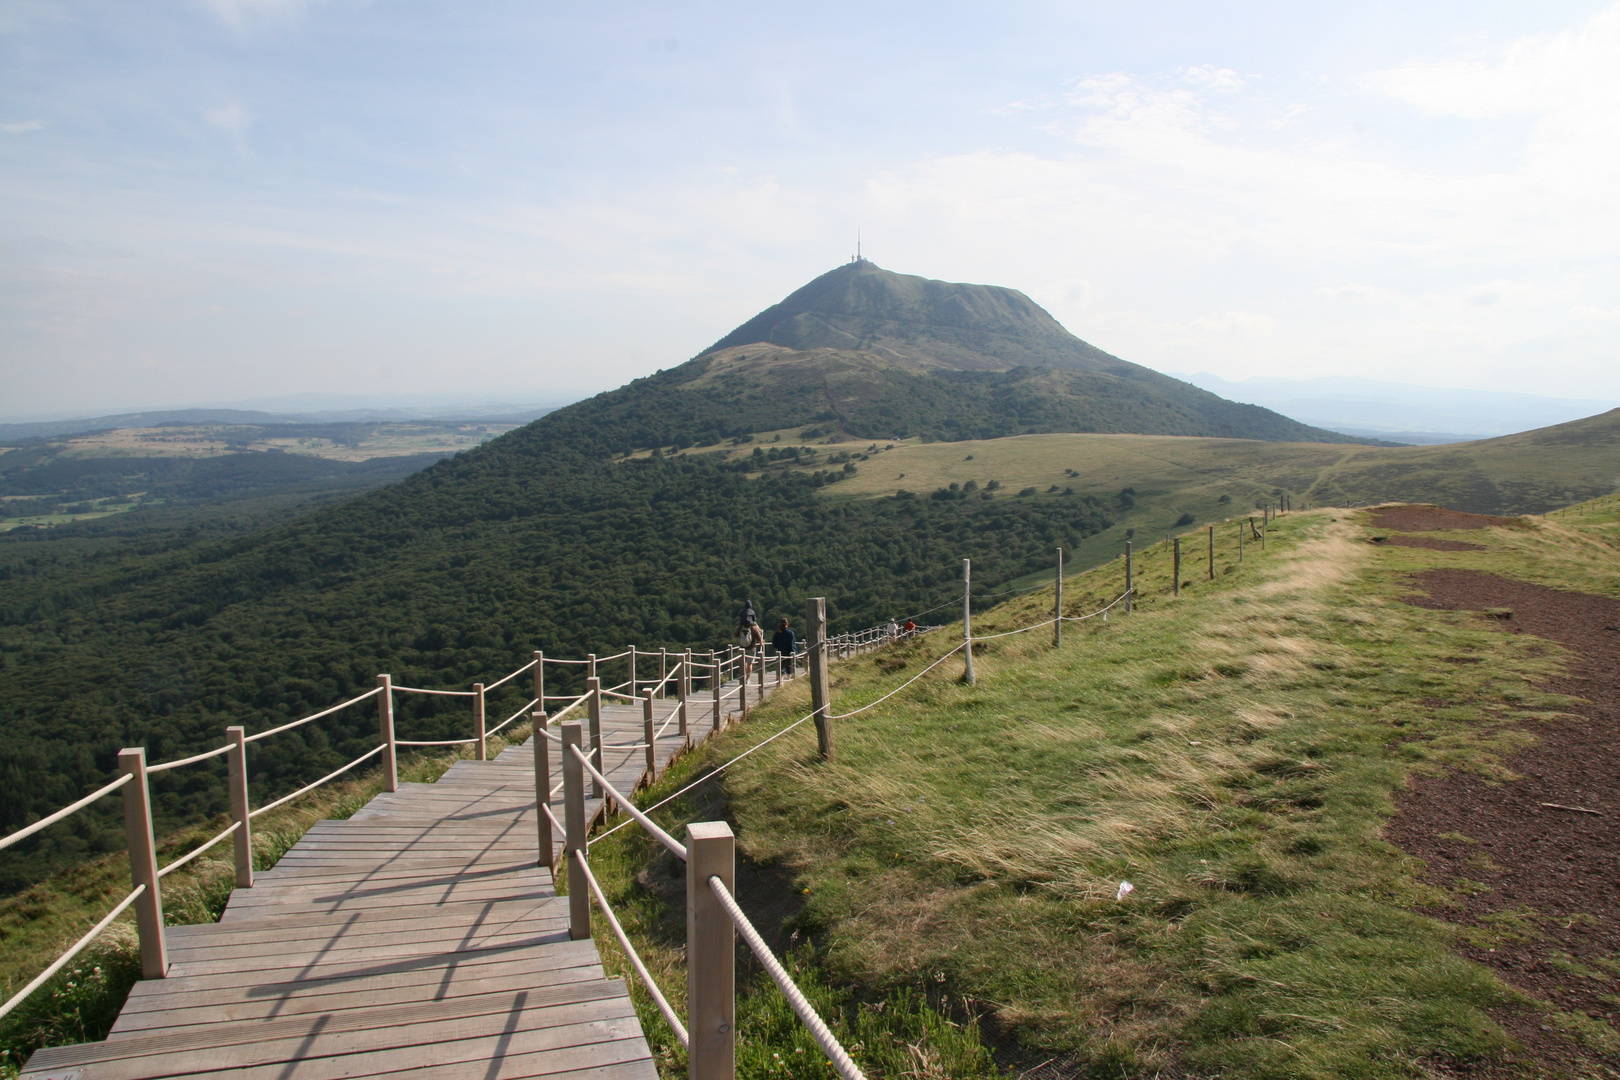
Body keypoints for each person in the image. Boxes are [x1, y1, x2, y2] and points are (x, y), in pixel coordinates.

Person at [736, 604, 764, 681]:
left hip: (742, 648)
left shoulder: (741, 626)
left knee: (743, 663)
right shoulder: (754, 627)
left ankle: (743, 677)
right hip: (752, 648)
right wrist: (761, 642)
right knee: (749, 664)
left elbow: (735, 635)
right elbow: (759, 637)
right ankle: (748, 679)